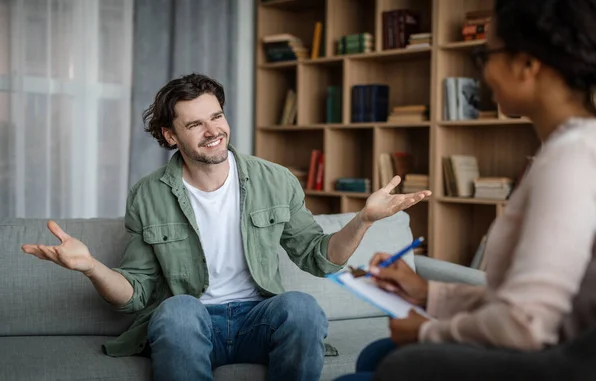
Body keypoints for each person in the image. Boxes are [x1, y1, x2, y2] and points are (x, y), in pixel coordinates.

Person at [21, 73, 431, 381]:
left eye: (216, 116)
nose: (213, 130)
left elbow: (319, 260)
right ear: (170, 135)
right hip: (194, 321)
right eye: (195, 124)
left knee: (302, 306)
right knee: (177, 310)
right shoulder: (148, 194)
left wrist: (363, 220)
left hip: (259, 319)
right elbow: (135, 293)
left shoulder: (275, 179)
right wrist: (91, 266)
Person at [335, 0, 596, 380]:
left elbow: (525, 322)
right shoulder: (574, 148)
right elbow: (525, 299)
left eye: (484, 54)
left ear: (527, 64)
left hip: (550, 363)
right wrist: (430, 293)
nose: (483, 72)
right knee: (378, 354)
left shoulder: (570, 161)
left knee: (376, 367)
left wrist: (427, 330)